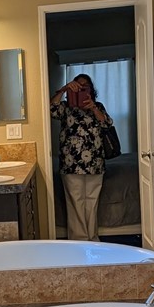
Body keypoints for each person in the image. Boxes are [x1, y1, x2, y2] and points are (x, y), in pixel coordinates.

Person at [50, 73, 114, 241]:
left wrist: (93, 107)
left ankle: (92, 238)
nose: (80, 88)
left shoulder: (97, 106)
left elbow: (107, 123)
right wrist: (63, 89)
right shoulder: (65, 108)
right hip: (71, 163)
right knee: (75, 202)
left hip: (95, 162)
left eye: (85, 86)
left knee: (92, 202)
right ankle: (79, 240)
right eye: (77, 85)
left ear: (91, 90)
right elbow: (51, 109)